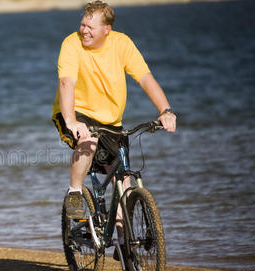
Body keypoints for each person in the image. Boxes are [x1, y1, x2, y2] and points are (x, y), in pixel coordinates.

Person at [52, 1, 176, 257]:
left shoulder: (122, 44)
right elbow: (66, 83)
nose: (84, 30)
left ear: (106, 29)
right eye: (82, 24)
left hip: (112, 122)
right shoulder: (71, 44)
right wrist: (72, 121)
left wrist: (164, 111)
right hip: (75, 112)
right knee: (89, 142)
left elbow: (145, 77)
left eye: (90, 26)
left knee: (125, 179)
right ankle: (75, 191)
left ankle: (124, 239)